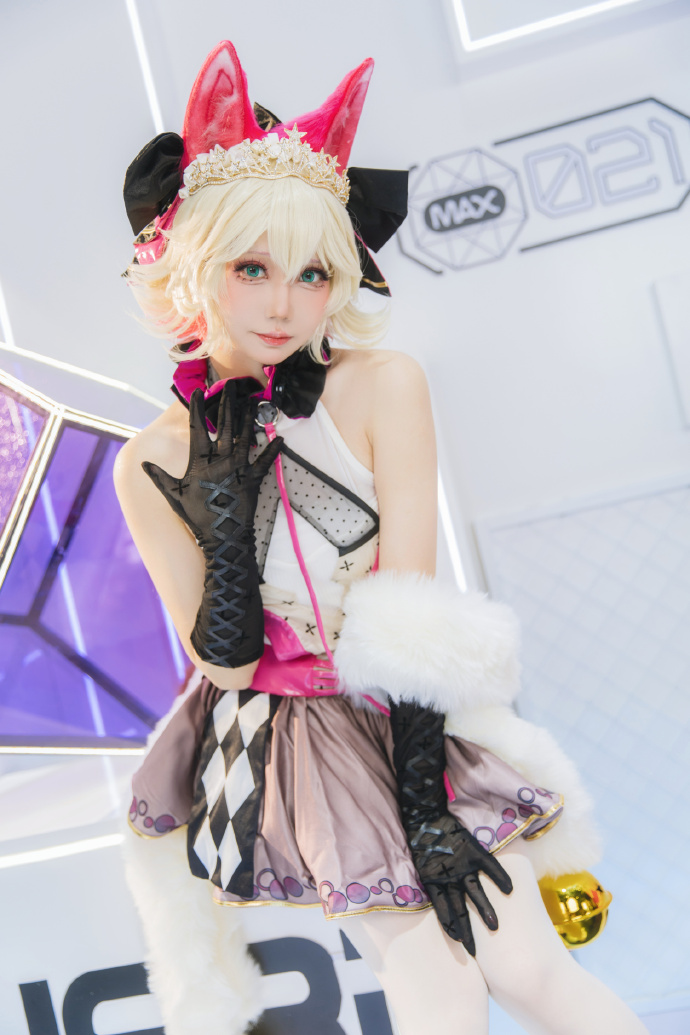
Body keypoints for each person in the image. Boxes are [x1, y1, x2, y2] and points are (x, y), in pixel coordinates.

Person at [115, 40, 648, 1035]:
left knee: (528, 965)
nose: (284, 302)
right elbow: (222, 667)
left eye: (314, 273)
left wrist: (428, 807)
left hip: (413, 715)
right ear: (191, 261)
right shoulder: (150, 459)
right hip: (293, 739)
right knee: (435, 990)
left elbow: (409, 610)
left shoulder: (382, 384)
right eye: (252, 267)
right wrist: (223, 523)